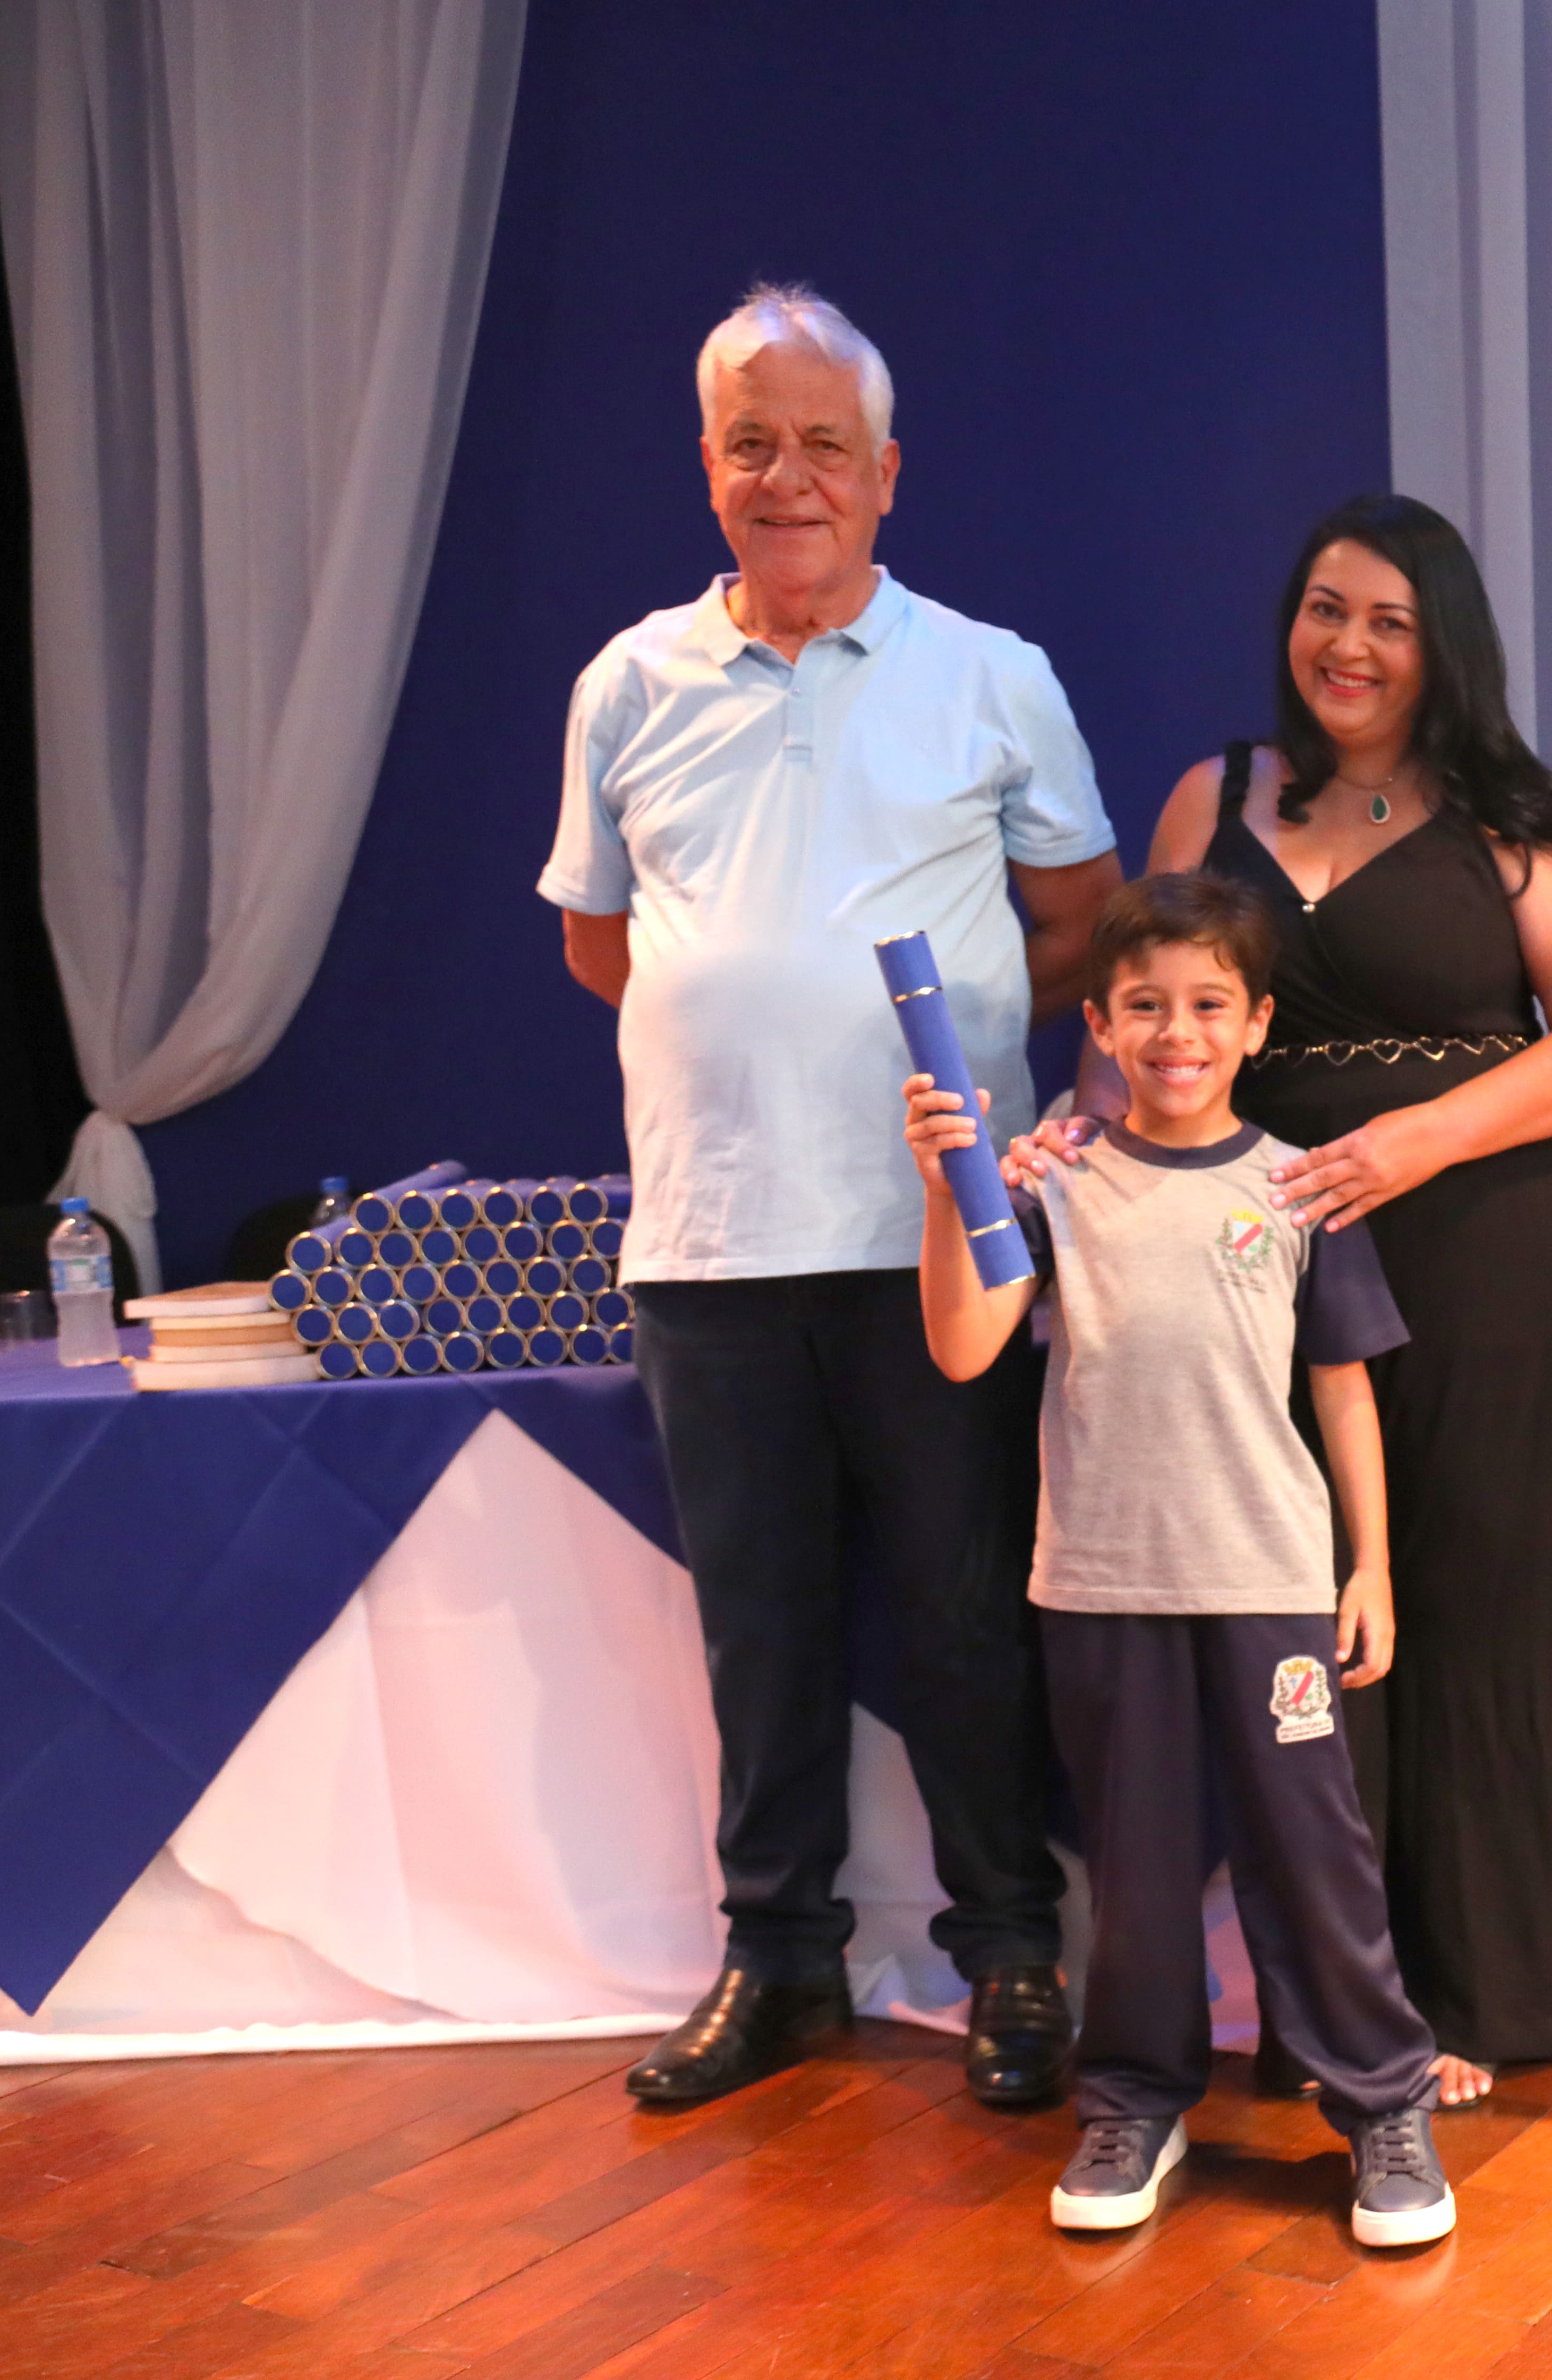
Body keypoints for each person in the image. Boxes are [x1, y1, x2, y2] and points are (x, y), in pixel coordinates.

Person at [542, 285, 1120, 2107]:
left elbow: (1084, 926)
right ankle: (777, 1961)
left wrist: (956, 1065)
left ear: (886, 473)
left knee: (965, 1617)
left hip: (937, 1244)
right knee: (760, 1631)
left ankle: (1011, 1952)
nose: (786, 477)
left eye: (822, 446)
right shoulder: (627, 684)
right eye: (751, 444)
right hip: (707, 1241)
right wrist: (748, 1028)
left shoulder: (994, 674)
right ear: (707, 468)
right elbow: (602, 948)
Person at [1136, 495, 1552, 2108]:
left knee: (1494, 1636)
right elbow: (1148, 1009)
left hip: (1512, 1269)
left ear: (1444, 648)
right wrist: (1087, 1163)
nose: (1348, 645)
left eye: (1389, 620)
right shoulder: (1213, 794)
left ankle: (1483, 2000)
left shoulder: (1509, 809)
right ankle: (1342, 2013)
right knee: (1310, 1638)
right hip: (1268, 1283)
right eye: (1325, 608)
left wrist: (1419, 1139)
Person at [901, 874, 1455, 2247]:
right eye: (1144, 1006)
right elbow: (963, 1348)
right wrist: (946, 1192)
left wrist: (1371, 1567)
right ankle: (1136, 2101)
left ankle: (1383, 2099)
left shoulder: (1303, 1189)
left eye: (1209, 1004)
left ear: (1257, 1023)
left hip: (1270, 1583)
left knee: (1314, 1855)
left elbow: (1343, 1388)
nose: (1177, 1032)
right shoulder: (1056, 1180)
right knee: (1137, 1868)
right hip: (1102, 1585)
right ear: (1099, 1023)